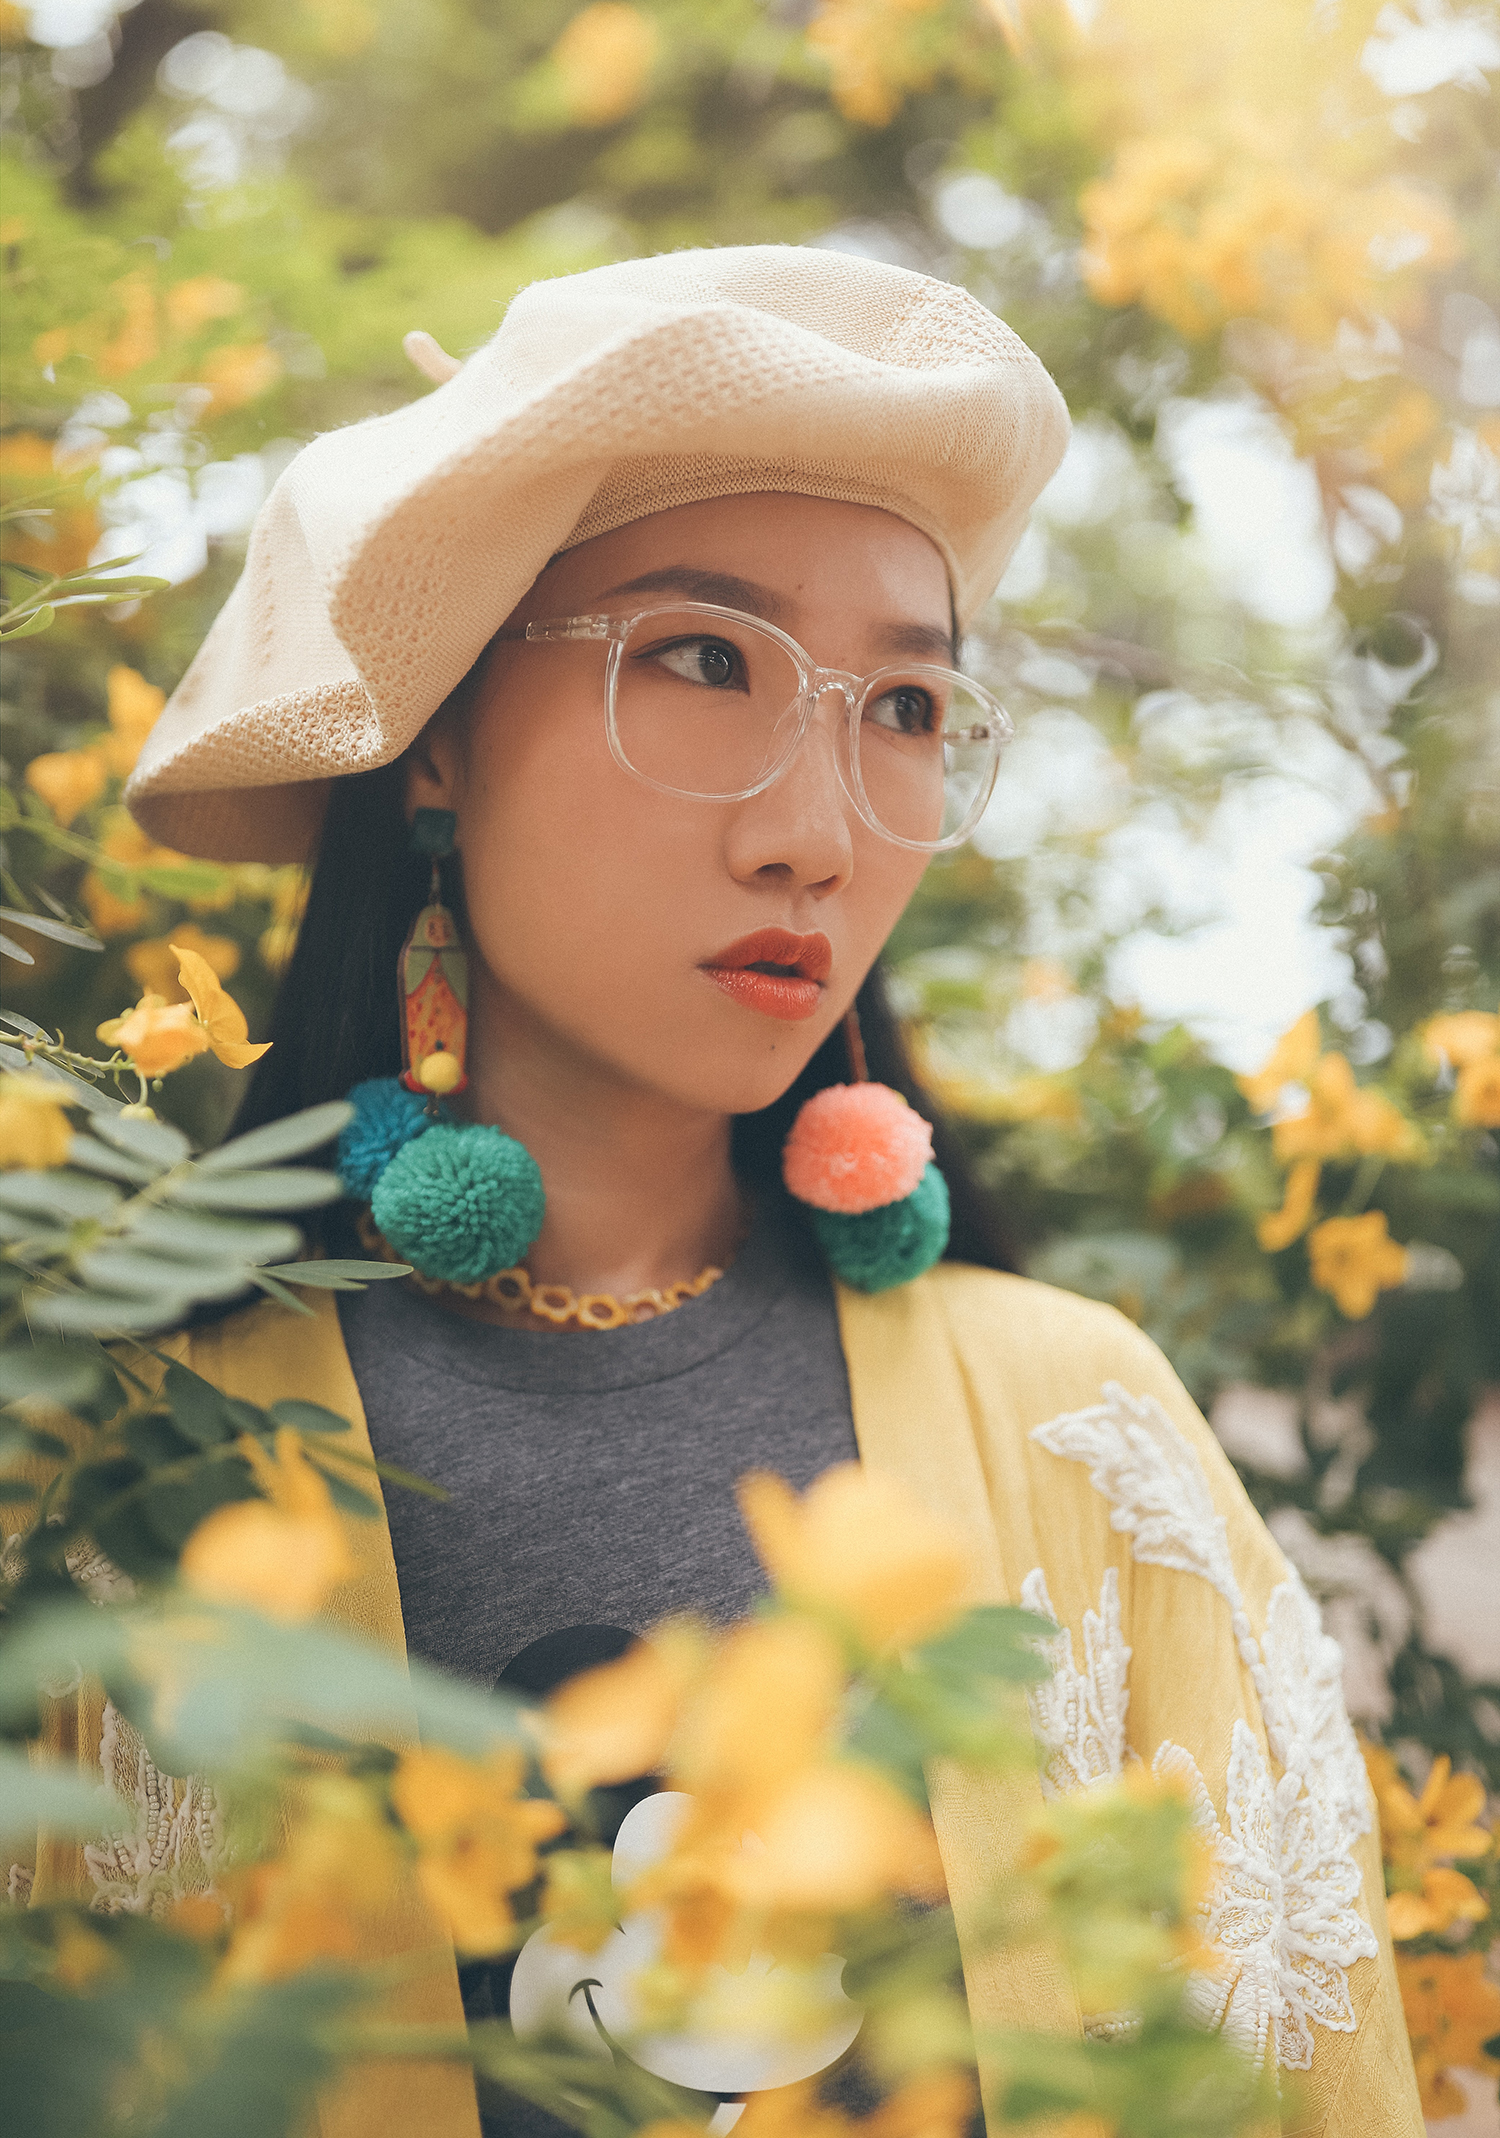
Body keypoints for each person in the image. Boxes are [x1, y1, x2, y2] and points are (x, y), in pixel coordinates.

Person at [118, 247, 1418, 2138]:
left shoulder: (1085, 1422)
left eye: (905, 704)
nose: (819, 829)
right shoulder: (144, 1448)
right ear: (438, 743)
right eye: (706, 658)